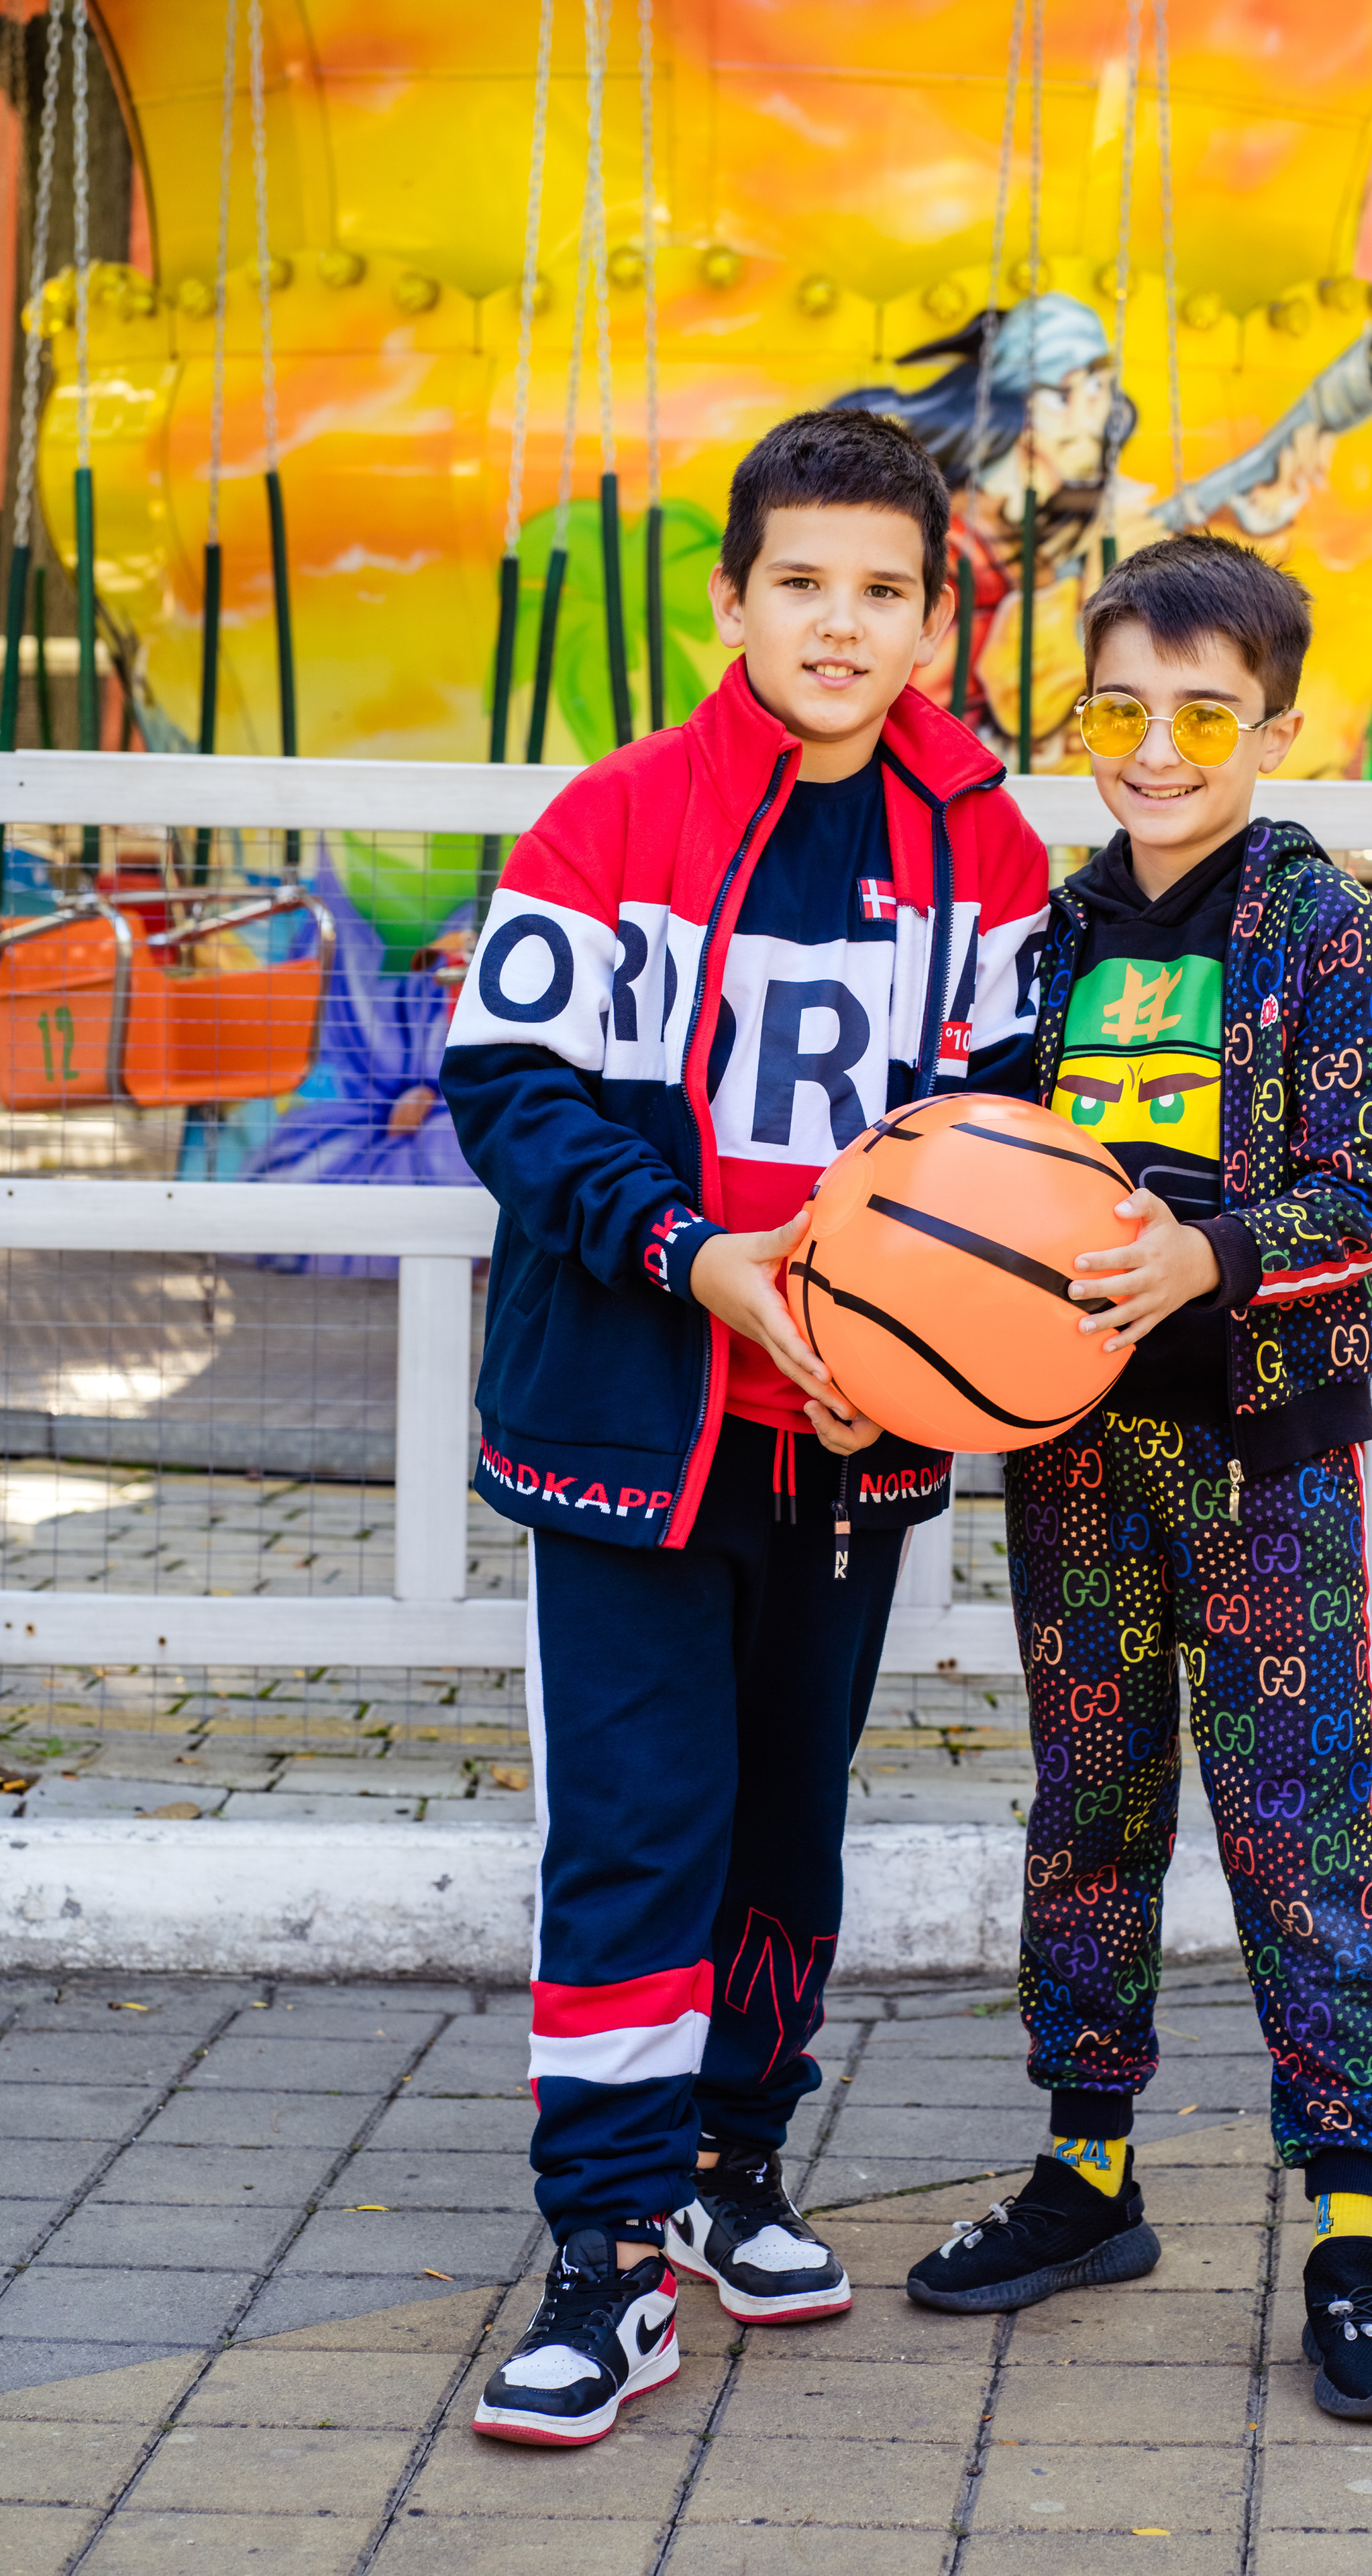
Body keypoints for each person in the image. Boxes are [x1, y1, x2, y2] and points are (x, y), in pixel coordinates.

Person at [439, 408, 1049, 2445]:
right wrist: (703, 1263)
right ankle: (601, 2254)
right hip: (638, 1412)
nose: (842, 626)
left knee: (788, 1829)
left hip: (854, 1437)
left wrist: (895, 1336)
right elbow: (517, 1095)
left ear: (937, 618)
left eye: (886, 591)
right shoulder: (610, 821)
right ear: (734, 598)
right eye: (804, 582)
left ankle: (731, 2166)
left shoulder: (995, 856)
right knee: (636, 1840)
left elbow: (1006, 1145)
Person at [904, 531, 1372, 2424]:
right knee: (1091, 1811)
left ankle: (1352, 2233)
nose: (1155, 746)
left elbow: (1358, 1201)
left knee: (1299, 1842)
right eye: (1118, 705)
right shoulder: (1054, 939)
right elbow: (989, 1172)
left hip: (1263, 1455)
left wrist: (1206, 1258)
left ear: (1274, 726)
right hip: (1075, 1452)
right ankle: (1089, 2173)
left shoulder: (1326, 931)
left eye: (1202, 712)